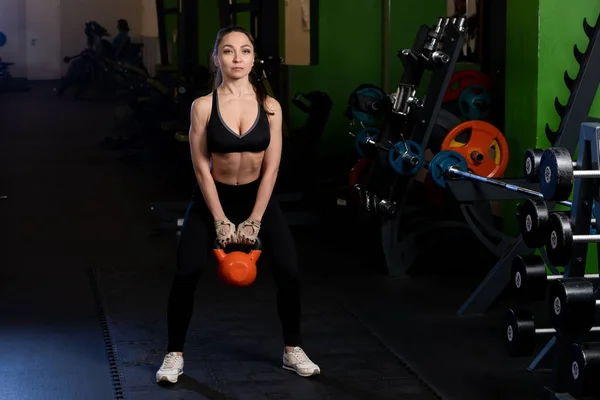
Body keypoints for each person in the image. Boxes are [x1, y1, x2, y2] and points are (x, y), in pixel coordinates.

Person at [155, 25, 321, 384]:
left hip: (255, 197)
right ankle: (174, 355)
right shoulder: (203, 107)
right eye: (228, 51)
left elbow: (272, 166)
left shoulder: (270, 107)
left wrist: (255, 219)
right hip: (213, 196)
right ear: (217, 58)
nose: (237, 58)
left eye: (245, 51)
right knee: (186, 272)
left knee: (289, 272)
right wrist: (218, 219)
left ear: (253, 57)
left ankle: (292, 349)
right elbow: (201, 166)